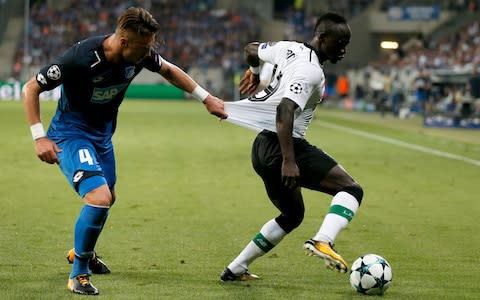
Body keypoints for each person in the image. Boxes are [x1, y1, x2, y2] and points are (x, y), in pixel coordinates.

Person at [23, 7, 227, 295]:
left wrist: (206, 99)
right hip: (70, 134)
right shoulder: (81, 57)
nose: (149, 53)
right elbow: (31, 87)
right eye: (144, 48)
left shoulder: (140, 54)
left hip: (102, 137)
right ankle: (77, 273)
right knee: (99, 197)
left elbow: (168, 69)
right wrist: (38, 137)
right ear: (123, 42)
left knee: (109, 197)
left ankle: (84, 252)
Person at [220, 12, 363, 281]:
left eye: (347, 43)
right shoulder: (310, 71)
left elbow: (251, 49)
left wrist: (253, 72)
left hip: (261, 148)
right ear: (321, 38)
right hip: (281, 146)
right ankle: (323, 240)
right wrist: (289, 160)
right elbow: (285, 110)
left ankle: (236, 268)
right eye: (339, 42)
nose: (344, 49)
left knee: (292, 214)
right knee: (351, 189)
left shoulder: (288, 48)